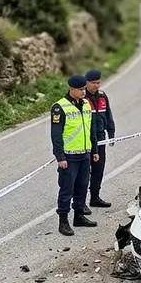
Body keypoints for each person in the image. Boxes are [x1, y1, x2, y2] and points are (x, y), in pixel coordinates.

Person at [51, 75, 98, 236]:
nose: (84, 92)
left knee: (82, 187)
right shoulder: (60, 107)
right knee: (66, 190)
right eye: (81, 89)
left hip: (84, 154)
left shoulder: (85, 104)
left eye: (85, 89)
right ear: (71, 89)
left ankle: (79, 216)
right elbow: (56, 135)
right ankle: (63, 221)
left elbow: (90, 129)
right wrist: (60, 157)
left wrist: (95, 150)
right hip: (69, 157)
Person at [84, 69, 114, 209]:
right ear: (87, 83)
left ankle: (95, 197)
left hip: (100, 139)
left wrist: (111, 134)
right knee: (83, 173)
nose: (96, 86)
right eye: (93, 83)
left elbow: (108, 115)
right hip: (85, 141)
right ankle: (81, 203)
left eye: (98, 82)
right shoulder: (82, 98)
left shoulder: (102, 96)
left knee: (98, 170)